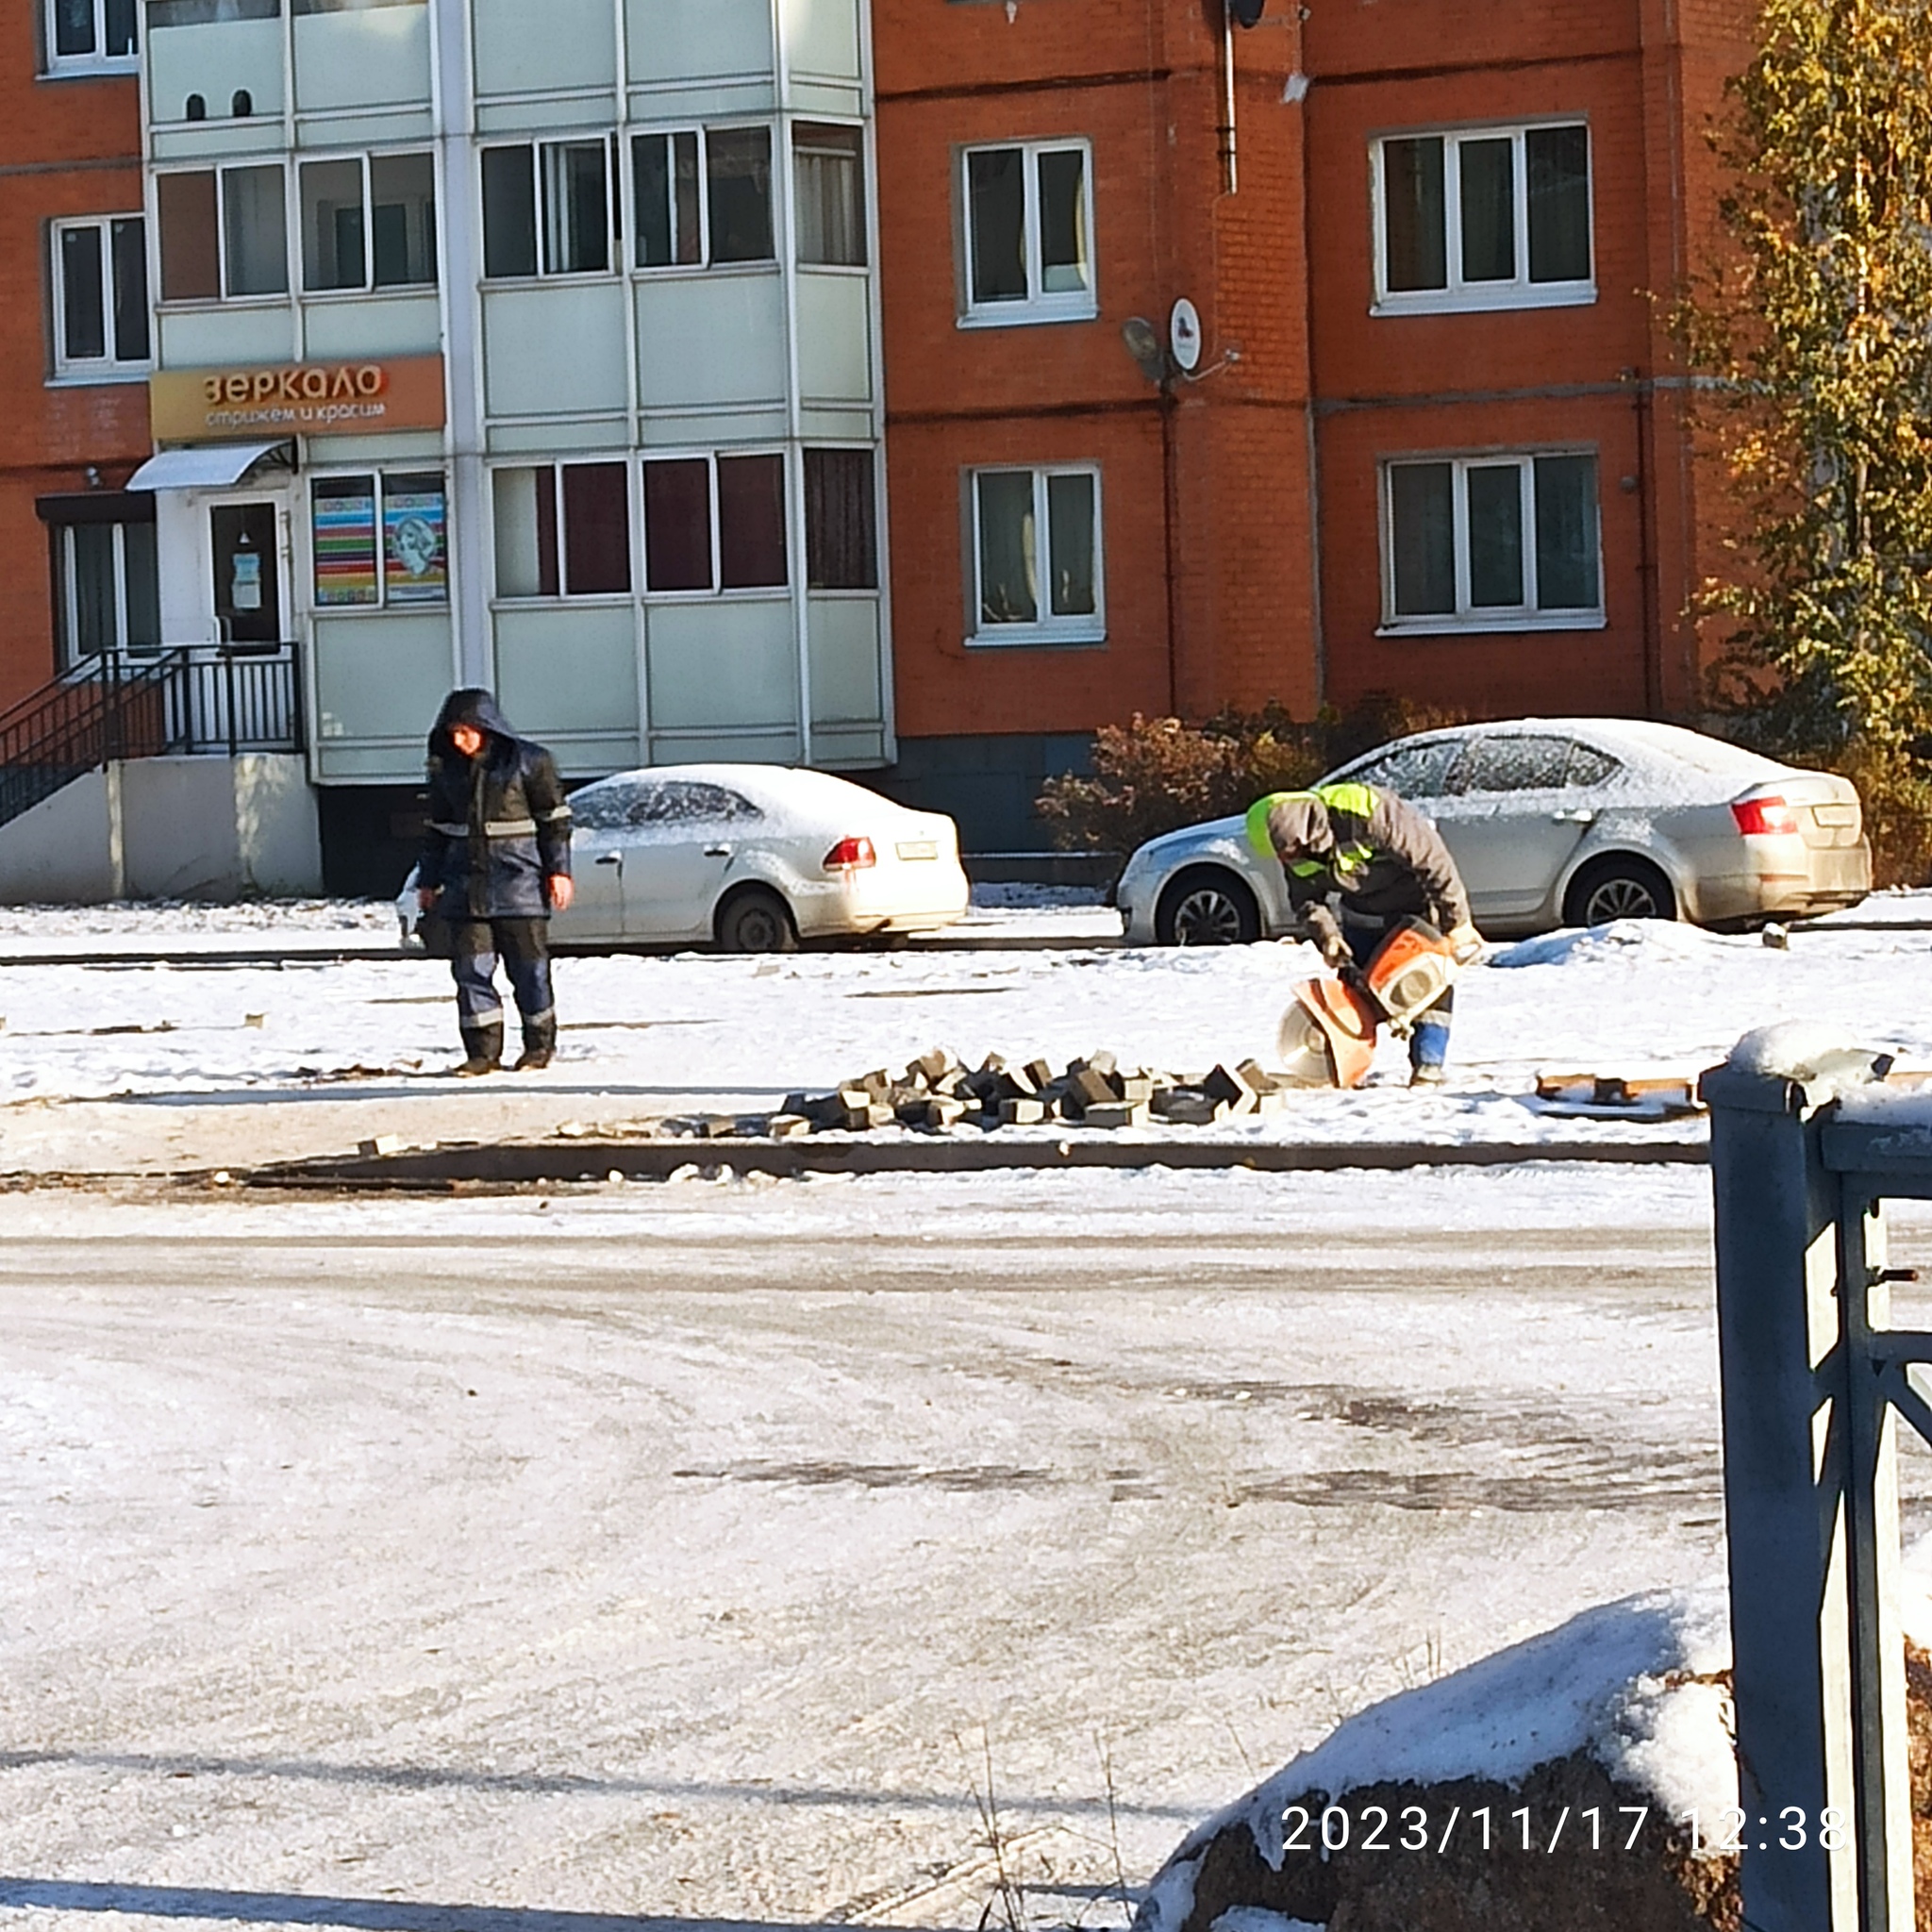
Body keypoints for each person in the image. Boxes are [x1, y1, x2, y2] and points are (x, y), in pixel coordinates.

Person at [1246, 782, 1480, 1086]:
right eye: (1281, 853)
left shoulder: (1365, 809)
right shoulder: (1294, 850)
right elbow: (1307, 902)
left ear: (1303, 828)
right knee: (1355, 997)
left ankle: (1428, 1065)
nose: (1287, 860)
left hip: (1415, 911)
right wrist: (1327, 937)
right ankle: (1347, 1065)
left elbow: (1433, 861)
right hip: (1362, 917)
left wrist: (1456, 924)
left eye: (1289, 851)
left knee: (1423, 988)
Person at [417, 689, 575, 1075]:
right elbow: (437, 830)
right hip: (465, 889)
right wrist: (429, 881)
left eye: (465, 732)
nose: (458, 741)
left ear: (486, 727)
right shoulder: (445, 769)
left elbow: (555, 822)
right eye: (452, 733)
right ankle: (481, 1054)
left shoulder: (531, 762)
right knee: (471, 972)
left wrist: (559, 871)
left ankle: (538, 1048)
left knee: (529, 972)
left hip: (519, 885)